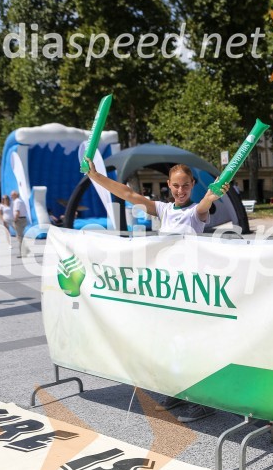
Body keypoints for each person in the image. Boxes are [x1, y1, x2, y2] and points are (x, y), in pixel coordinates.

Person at [86, 163, 228, 423]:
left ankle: (203, 403)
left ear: (193, 185)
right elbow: (129, 195)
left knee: (191, 347)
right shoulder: (164, 210)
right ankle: (176, 391)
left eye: (186, 185)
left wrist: (212, 194)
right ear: (168, 185)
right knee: (171, 345)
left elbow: (205, 204)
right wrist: (96, 177)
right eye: (175, 185)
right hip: (168, 291)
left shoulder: (196, 212)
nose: (180, 190)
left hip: (191, 290)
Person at [10, 190, 29, 258]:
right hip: (23, 219)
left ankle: (23, 253)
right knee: (22, 236)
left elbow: (17, 212)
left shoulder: (17, 201)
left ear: (15, 195)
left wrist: (15, 220)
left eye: (12, 195)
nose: (11, 196)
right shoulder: (20, 201)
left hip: (19, 220)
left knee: (20, 237)